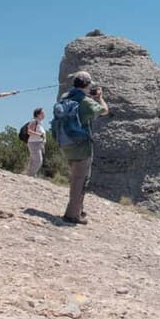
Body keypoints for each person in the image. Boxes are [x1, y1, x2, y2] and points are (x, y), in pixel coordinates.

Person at [60, 71, 108, 225]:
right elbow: (104, 110)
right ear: (87, 85)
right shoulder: (86, 101)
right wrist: (99, 97)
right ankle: (72, 215)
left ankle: (77, 208)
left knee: (75, 178)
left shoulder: (65, 97)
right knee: (80, 180)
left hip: (66, 142)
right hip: (81, 146)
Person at [26, 107, 46, 177]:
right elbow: (29, 131)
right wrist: (40, 135)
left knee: (33, 161)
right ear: (38, 114)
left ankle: (29, 176)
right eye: (42, 113)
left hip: (37, 144)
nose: (44, 114)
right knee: (38, 161)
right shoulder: (34, 121)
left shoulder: (39, 123)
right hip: (34, 143)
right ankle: (31, 175)